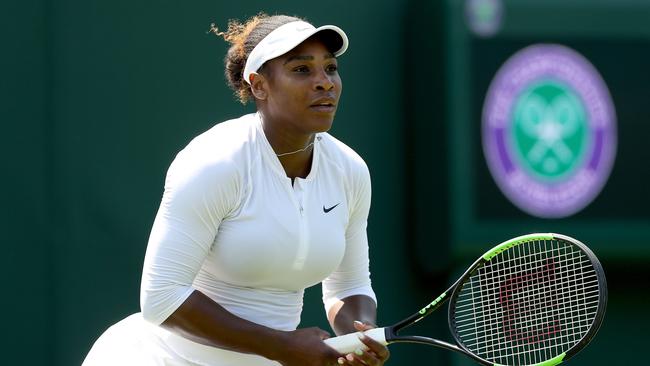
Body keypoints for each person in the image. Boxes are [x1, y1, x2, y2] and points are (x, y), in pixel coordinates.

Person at [82, 13, 389, 366]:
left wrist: (359, 335)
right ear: (259, 85)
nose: (324, 82)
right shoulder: (216, 161)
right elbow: (162, 297)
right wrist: (281, 346)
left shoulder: (349, 171)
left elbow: (349, 286)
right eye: (302, 70)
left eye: (331, 68)